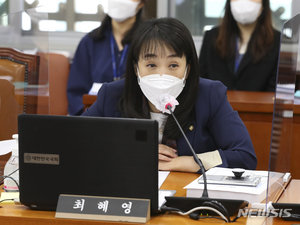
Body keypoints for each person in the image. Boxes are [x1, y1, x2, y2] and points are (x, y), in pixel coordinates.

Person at [82, 17, 257, 173]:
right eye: (151, 65)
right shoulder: (112, 94)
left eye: (173, 65)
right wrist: (132, 150)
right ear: (136, 68)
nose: (161, 74)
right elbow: (76, 142)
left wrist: (188, 162)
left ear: (187, 69)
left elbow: (244, 155)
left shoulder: (209, 95)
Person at [67, 0, 146, 115]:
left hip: (136, 118)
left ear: (141, 3)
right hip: (95, 120)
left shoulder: (147, 42)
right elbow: (76, 92)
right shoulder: (90, 42)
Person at [199, 0, 281, 92]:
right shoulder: (211, 36)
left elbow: (275, 89)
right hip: (215, 105)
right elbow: (201, 80)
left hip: (258, 105)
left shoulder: (278, 41)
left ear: (263, 5)